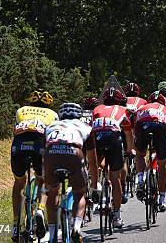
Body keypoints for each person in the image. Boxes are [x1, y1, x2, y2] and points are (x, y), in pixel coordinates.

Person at [44, 103, 97, 243]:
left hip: (51, 153)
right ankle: (76, 228)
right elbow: (92, 159)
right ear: (79, 115)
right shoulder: (86, 127)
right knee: (79, 193)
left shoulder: (51, 125)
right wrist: (95, 184)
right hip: (73, 152)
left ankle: (52, 232)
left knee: (52, 192)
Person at [10, 90, 58, 242]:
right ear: (48, 103)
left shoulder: (21, 111)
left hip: (19, 146)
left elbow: (15, 131)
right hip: (39, 145)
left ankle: (16, 224)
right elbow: (53, 136)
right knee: (43, 180)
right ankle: (40, 209)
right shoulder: (52, 114)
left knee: (19, 182)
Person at [90, 87, 133, 228]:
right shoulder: (122, 110)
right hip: (114, 138)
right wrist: (129, 150)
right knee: (116, 179)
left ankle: (95, 188)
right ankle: (117, 216)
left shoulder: (97, 109)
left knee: (95, 164)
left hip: (97, 137)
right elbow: (128, 134)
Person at [134, 91, 166, 212]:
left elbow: (134, 131)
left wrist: (137, 149)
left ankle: (141, 179)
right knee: (162, 163)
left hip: (142, 126)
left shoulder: (141, 108)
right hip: (159, 127)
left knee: (140, 155)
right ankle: (162, 200)